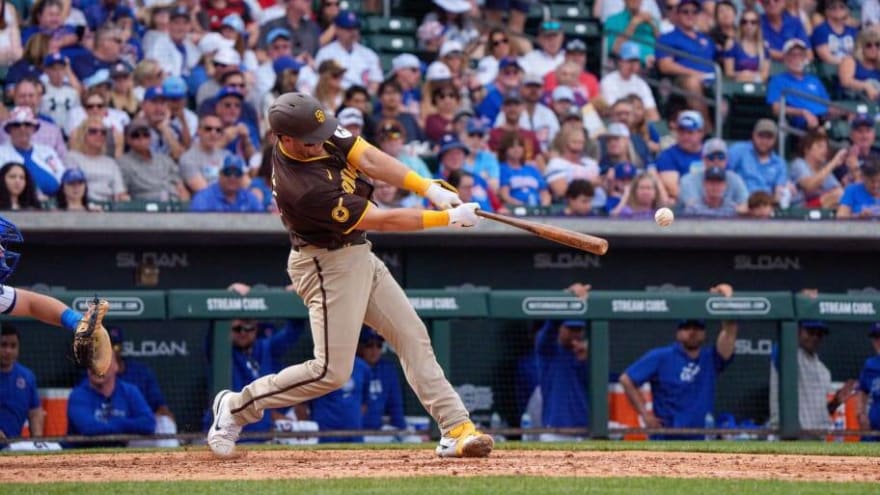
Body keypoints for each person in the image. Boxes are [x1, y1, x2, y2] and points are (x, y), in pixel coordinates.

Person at [207, 92, 494, 459]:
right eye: (311, 141)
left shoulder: (312, 125)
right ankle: (235, 407)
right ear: (285, 139)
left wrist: (428, 188)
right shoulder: (303, 188)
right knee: (331, 371)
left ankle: (456, 428)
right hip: (325, 265)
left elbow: (370, 157)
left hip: (357, 253)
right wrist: (447, 219)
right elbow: (382, 220)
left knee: (412, 336)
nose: (320, 141)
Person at [619, 284, 738, 439]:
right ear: (678, 332)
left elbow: (730, 331)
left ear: (704, 332)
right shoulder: (662, 356)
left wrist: (726, 301)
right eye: (687, 327)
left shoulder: (711, 358)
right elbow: (626, 379)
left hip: (701, 439)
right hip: (666, 438)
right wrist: (645, 415)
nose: (692, 332)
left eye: (697, 327)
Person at [769, 320, 859, 432]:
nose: (815, 337)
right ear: (798, 332)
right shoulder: (788, 355)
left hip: (817, 437)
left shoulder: (823, 371)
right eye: (811, 332)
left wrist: (836, 402)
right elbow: (781, 344)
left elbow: (821, 413)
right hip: (790, 436)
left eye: (819, 334)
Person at [66, 354, 156, 444]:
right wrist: (122, 425)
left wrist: (119, 424)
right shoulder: (78, 395)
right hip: (82, 453)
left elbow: (148, 423)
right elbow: (89, 428)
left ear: (116, 366)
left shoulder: (129, 391)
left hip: (119, 453)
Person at [656, 0, 717, 122]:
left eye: (694, 12)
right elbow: (665, 65)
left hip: (711, 78)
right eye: (685, 12)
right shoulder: (668, 37)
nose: (690, 15)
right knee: (692, 83)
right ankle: (706, 130)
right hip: (682, 79)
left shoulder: (706, 39)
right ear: (677, 14)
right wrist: (694, 73)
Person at [536, 319, 590, 441]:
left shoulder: (590, 355)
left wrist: (586, 360)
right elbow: (548, 331)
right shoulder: (549, 352)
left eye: (578, 330)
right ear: (560, 329)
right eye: (571, 329)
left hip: (586, 431)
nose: (575, 334)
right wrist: (563, 305)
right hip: (555, 431)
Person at [0, 106, 65, 197]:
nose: (22, 129)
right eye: (17, 125)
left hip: (55, 204)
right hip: (16, 207)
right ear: (9, 129)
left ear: (34, 129)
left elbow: (62, 176)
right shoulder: (1, 153)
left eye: (27, 124)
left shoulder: (47, 151)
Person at [767, 39, 831, 130]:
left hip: (824, 119)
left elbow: (827, 105)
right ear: (785, 59)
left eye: (801, 55)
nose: (797, 59)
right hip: (800, 122)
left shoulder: (815, 81)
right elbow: (776, 109)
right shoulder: (777, 80)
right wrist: (802, 112)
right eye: (793, 55)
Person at [305, 356, 371, 443]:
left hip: (354, 432)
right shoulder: (317, 367)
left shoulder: (363, 367)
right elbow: (301, 406)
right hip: (325, 433)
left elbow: (365, 402)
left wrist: (351, 417)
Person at [117, 118, 184, 202]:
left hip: (174, 205)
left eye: (146, 134)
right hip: (145, 209)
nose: (141, 138)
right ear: (128, 140)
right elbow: (122, 195)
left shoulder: (164, 159)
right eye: (135, 135)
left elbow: (180, 187)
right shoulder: (123, 163)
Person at [314, 11, 382, 94]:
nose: (353, 32)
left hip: (361, 99)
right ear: (337, 30)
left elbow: (375, 82)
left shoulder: (369, 55)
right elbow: (320, 81)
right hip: (335, 97)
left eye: (355, 28)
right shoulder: (325, 53)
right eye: (348, 29)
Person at [357, 327, 407, 435]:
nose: (375, 350)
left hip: (377, 430)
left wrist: (401, 429)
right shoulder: (351, 367)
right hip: (352, 431)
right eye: (369, 345)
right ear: (359, 346)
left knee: (413, 440)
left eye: (379, 345)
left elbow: (395, 404)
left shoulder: (387, 369)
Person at [728, 119, 792, 199]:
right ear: (753, 135)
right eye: (761, 136)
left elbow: (778, 192)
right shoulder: (738, 150)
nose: (764, 141)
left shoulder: (779, 163)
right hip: (739, 203)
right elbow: (724, 175)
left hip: (766, 205)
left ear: (775, 140)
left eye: (769, 137)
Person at [0, 323, 44, 440]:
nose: (8, 351)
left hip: (13, 448)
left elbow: (35, 412)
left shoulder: (27, 376)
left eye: (13, 346)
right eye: (3, 345)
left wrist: (37, 441)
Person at [600, 43, 661, 123]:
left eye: (635, 61)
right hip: (616, 122)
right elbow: (613, 109)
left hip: (637, 124)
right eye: (629, 61)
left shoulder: (642, 84)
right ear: (620, 61)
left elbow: (652, 111)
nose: (632, 65)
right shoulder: (608, 81)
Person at [655, 110, 705, 200]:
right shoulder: (667, 156)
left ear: (701, 133)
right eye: (681, 132)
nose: (685, 136)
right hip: (685, 206)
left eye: (690, 132)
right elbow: (673, 189)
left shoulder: (711, 153)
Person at [789, 130, 844, 209]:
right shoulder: (799, 164)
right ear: (807, 149)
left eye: (826, 147)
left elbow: (838, 190)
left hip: (818, 208)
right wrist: (834, 162)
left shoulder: (823, 168)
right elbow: (809, 186)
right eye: (819, 146)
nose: (825, 150)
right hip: (799, 210)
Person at [190, 154, 263, 212]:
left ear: (242, 177)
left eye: (237, 173)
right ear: (220, 174)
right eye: (228, 172)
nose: (232, 177)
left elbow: (262, 222)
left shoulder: (250, 198)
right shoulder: (203, 198)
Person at [179, 114, 232, 194]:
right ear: (199, 131)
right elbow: (205, 193)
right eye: (208, 129)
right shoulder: (188, 159)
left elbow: (245, 183)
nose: (213, 133)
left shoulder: (227, 155)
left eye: (218, 130)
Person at [497, 132, 550, 208]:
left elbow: (545, 193)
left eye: (519, 146)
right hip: (515, 211)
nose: (516, 149)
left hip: (538, 210)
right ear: (505, 149)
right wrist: (523, 207)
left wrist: (543, 207)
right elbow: (505, 196)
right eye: (512, 146)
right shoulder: (502, 169)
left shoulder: (532, 169)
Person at [723, 9, 770, 83]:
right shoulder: (732, 44)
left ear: (758, 25)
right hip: (737, 85)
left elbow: (765, 74)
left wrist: (751, 76)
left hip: (757, 86)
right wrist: (742, 75)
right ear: (740, 25)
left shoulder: (764, 46)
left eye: (753, 22)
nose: (749, 25)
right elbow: (728, 72)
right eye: (744, 22)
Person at [811, 0, 858, 65]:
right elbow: (826, 57)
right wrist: (847, 63)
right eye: (833, 7)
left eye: (842, 7)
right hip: (830, 71)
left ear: (847, 10)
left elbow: (858, 53)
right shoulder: (821, 30)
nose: (838, 9)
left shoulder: (852, 30)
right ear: (826, 11)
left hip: (851, 67)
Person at [838, 29, 880, 102]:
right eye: (868, 45)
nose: (874, 48)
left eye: (877, 44)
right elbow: (845, 81)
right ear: (861, 47)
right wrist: (866, 86)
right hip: (854, 100)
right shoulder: (850, 60)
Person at [857, 323, 880, 434]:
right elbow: (862, 390)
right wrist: (861, 414)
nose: (878, 341)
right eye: (876, 337)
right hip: (873, 428)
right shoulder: (870, 364)